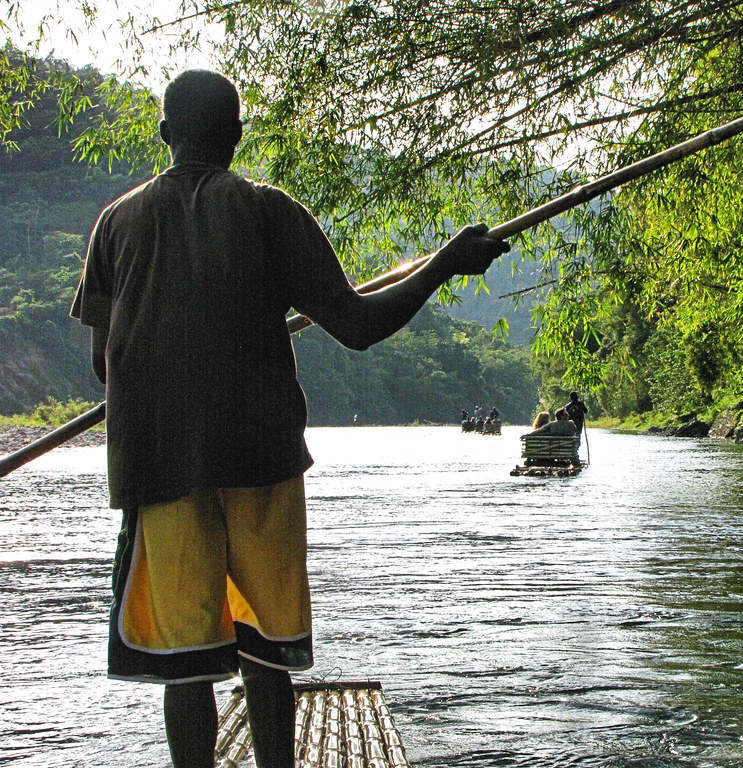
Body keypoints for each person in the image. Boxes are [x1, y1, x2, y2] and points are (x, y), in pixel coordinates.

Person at [70, 70, 509, 768]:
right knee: (265, 650)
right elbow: (358, 326)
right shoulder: (268, 210)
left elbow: (104, 365)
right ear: (237, 135)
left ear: (165, 134)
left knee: (185, 665)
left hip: (160, 466)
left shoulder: (115, 224)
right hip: (261, 461)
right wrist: (444, 264)